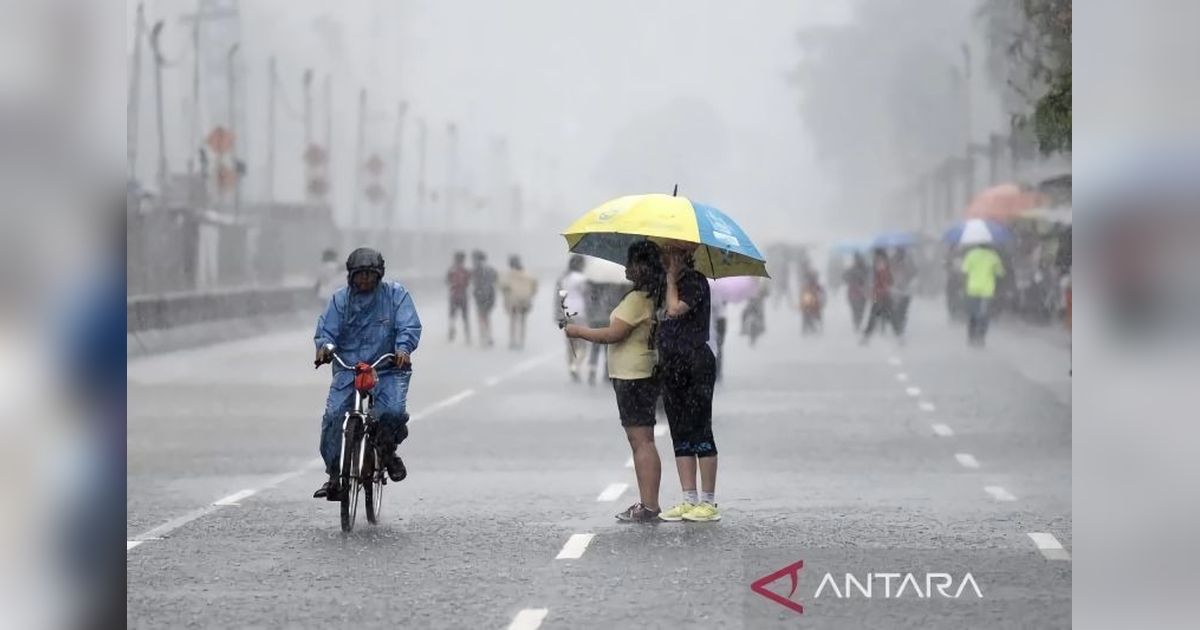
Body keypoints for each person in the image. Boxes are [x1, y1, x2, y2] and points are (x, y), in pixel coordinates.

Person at [563, 241, 664, 522]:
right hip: (640, 372)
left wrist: (579, 331)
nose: (627, 268)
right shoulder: (651, 295)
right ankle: (648, 503)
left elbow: (614, 334)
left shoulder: (638, 299)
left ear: (643, 267)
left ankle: (649, 505)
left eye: (632, 263)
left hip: (634, 374)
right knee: (642, 440)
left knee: (641, 441)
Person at [312, 247, 422, 499]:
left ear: (379, 275)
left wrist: (403, 349)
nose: (364, 280)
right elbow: (326, 332)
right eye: (359, 275)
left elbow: (409, 325)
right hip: (349, 368)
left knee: (392, 413)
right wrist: (325, 349)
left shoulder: (396, 296)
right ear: (350, 276)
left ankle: (386, 451)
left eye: (369, 275)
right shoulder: (340, 300)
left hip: (388, 367)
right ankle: (334, 475)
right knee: (333, 417)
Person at [656, 244, 721, 523]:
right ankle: (688, 498)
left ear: (685, 256)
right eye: (664, 255)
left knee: (700, 429)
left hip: (696, 362)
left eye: (672, 255)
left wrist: (670, 281)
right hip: (671, 364)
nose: (667, 260)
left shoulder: (694, 282)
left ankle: (707, 501)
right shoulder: (666, 283)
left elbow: (673, 310)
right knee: (680, 431)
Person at [961, 243, 1006, 346]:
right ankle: (980, 337)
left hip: (972, 289)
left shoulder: (971, 254)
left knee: (972, 314)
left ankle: (971, 336)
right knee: (984, 315)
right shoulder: (993, 256)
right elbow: (1000, 273)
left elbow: (964, 270)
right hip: (987, 290)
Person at [556, 255, 590, 380]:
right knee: (583, 344)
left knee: (571, 343)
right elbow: (587, 294)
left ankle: (571, 365)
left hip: (567, 311)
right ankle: (576, 365)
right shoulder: (582, 279)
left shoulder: (564, 278)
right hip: (580, 312)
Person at [499, 254, 539, 350]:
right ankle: (521, 341)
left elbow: (503, 287)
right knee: (523, 321)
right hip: (525, 300)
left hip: (513, 300)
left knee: (513, 320)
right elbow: (535, 286)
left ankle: (513, 340)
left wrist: (506, 297)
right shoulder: (528, 274)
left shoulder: (509, 275)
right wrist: (530, 294)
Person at [860, 248, 894, 344]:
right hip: (880, 294)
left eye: (877, 255)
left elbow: (888, 280)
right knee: (879, 313)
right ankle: (897, 333)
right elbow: (889, 280)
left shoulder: (881, 266)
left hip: (881, 294)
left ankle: (867, 335)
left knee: (877, 313)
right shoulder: (881, 266)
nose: (876, 257)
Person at [470, 250, 498, 347]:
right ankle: (489, 336)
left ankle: (483, 337)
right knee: (486, 316)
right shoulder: (491, 269)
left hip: (480, 296)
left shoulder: (476, 270)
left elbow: (474, 283)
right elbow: (495, 280)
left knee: (481, 316)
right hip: (490, 295)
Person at [891, 248, 917, 339]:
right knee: (901, 311)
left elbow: (914, 272)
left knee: (900, 310)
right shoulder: (894, 261)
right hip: (899, 291)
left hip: (901, 290)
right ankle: (900, 328)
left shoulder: (907, 262)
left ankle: (900, 328)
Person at [445, 251, 471, 343]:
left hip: (454, 296)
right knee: (465, 317)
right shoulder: (465, 270)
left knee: (452, 315)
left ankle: (451, 329)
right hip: (463, 296)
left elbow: (447, 281)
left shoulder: (451, 270)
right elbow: (468, 283)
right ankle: (467, 336)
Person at [843, 253, 869, 331]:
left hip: (859, 293)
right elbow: (845, 278)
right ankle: (857, 322)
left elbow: (868, 278)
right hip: (855, 293)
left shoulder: (863, 269)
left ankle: (857, 322)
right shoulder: (853, 269)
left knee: (858, 309)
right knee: (857, 309)